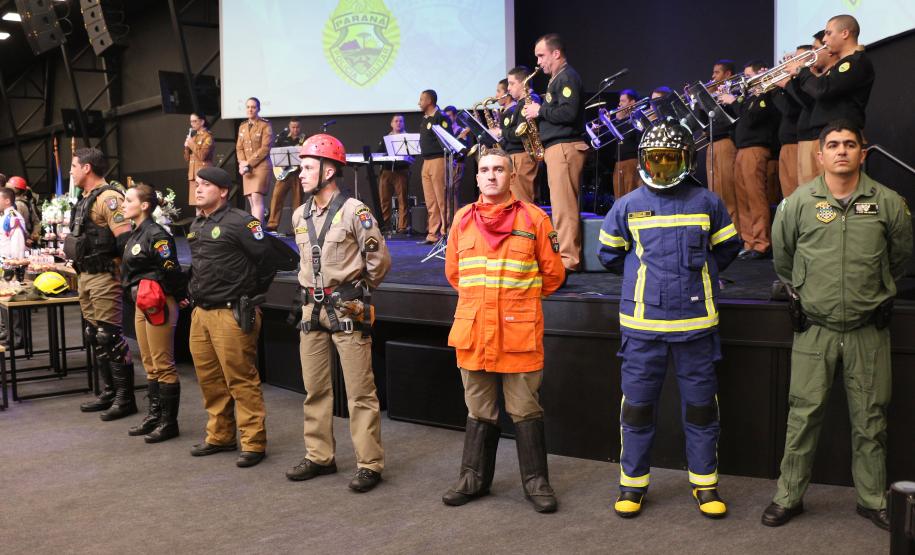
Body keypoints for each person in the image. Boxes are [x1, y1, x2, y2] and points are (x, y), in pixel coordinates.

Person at [763, 121, 912, 531]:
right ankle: (789, 496)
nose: (842, 151)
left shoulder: (887, 203)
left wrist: (874, 292)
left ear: (863, 153)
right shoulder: (797, 203)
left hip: (868, 331)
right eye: (833, 145)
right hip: (816, 329)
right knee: (803, 416)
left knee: (871, 417)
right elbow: (783, 259)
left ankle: (870, 499)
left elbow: (900, 257)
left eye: (850, 144)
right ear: (820, 155)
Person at [598, 118, 740, 519]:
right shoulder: (626, 205)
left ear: (686, 160)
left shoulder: (708, 202)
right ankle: (633, 485)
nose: (661, 167)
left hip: (696, 327)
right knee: (637, 410)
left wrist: (702, 272)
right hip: (642, 330)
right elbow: (609, 255)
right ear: (643, 161)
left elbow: (727, 248)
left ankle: (705, 484)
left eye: (669, 159)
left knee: (700, 410)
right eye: (654, 160)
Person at [442, 148, 565, 513]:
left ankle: (536, 482)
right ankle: (473, 479)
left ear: (512, 176)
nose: (491, 175)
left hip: (518, 334)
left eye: (499, 169)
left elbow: (554, 275)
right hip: (474, 331)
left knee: (525, 409)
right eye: (484, 170)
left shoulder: (534, 219)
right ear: (477, 178)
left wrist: (515, 302)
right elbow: (454, 274)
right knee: (478, 409)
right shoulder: (462, 219)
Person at [285, 134, 391, 492]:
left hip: (346, 307)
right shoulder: (300, 214)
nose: (301, 174)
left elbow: (378, 261)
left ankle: (369, 463)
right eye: (302, 167)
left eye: (308, 167)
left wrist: (358, 291)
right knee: (314, 389)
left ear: (329, 171)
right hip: (310, 310)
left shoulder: (355, 212)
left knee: (360, 392)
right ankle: (319, 456)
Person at [187, 166, 272, 468]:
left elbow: (268, 260)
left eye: (205, 185)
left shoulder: (241, 222)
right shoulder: (197, 223)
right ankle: (220, 436)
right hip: (202, 313)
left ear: (223, 192)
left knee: (240, 379)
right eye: (197, 184)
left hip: (232, 312)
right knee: (210, 379)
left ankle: (253, 442)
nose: (198, 189)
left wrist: (250, 294)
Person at [66, 147, 138, 420]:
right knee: (95, 336)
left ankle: (125, 398)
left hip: (105, 276)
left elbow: (124, 240)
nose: (70, 171)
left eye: (74, 166)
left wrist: (125, 276)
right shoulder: (85, 198)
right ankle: (109, 392)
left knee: (110, 336)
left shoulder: (109, 198)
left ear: (87, 168)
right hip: (85, 275)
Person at [120, 183, 188, 443]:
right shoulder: (135, 233)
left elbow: (171, 269)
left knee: (163, 364)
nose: (123, 204)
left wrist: (179, 297)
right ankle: (154, 415)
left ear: (144, 206)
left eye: (128, 200)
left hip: (158, 303)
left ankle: (169, 423)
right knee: (149, 364)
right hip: (141, 304)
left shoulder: (157, 235)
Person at [783, 15, 874, 185]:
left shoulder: (855, 62)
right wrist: (793, 79)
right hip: (823, 135)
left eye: (828, 33)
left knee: (834, 194)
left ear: (845, 33)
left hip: (839, 135)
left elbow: (822, 90)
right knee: (815, 195)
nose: (824, 39)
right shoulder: (840, 65)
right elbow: (811, 99)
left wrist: (802, 71)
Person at [523, 33, 587, 273]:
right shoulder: (557, 79)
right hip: (556, 149)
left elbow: (568, 114)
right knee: (560, 207)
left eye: (542, 55)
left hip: (564, 148)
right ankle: (565, 257)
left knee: (564, 208)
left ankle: (569, 261)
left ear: (556, 53)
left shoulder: (567, 77)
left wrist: (540, 111)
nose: (539, 62)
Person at [720, 60, 780, 260]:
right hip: (742, 150)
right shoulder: (747, 98)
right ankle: (748, 241)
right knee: (742, 198)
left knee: (755, 197)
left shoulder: (764, 96)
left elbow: (752, 118)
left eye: (748, 76)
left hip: (755, 149)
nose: (744, 81)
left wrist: (735, 101)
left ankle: (762, 242)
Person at [705, 60, 740, 233]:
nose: (712, 77)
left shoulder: (737, 90)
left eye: (717, 72)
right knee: (715, 191)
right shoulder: (714, 94)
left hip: (727, 143)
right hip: (711, 143)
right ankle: (719, 232)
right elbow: (704, 123)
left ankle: (734, 233)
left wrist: (726, 99)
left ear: (727, 75)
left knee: (727, 191)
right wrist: (701, 101)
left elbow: (735, 117)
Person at [771, 46, 811, 198]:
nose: (794, 62)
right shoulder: (794, 83)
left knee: (799, 194)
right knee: (788, 195)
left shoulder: (804, 82)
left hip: (797, 143)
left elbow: (790, 109)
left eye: (798, 58)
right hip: (787, 145)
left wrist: (780, 87)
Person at [417, 89, 453, 244]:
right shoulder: (425, 119)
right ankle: (433, 234)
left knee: (441, 199)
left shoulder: (441, 117)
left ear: (429, 101)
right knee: (431, 201)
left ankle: (447, 232)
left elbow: (447, 138)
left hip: (438, 160)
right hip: (426, 162)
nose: (419, 102)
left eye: (422, 99)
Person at [502, 66, 541, 204]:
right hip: (517, 156)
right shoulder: (521, 103)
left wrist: (502, 132)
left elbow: (520, 132)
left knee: (522, 201)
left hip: (523, 156)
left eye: (512, 83)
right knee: (515, 201)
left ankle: (525, 227)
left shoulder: (529, 100)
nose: (508, 88)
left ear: (524, 83)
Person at [236, 97, 274, 223]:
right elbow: (239, 148)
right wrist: (242, 163)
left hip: (261, 167)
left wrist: (248, 162)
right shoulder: (242, 126)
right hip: (247, 169)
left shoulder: (264, 125)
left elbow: (265, 148)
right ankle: (256, 230)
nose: (250, 109)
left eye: (253, 107)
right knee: (252, 201)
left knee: (256, 198)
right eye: (248, 107)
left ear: (258, 109)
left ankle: (258, 233)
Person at [266, 118, 306, 232]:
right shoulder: (282, 138)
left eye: (297, 127)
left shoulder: (304, 139)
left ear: (300, 127)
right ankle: (272, 224)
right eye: (293, 127)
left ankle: (296, 227)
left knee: (298, 201)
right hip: (284, 173)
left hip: (298, 174)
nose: (295, 130)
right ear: (289, 127)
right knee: (276, 198)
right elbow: (274, 154)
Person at [0, 187, 27, 347]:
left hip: (10, 265)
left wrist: (15, 263)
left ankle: (17, 338)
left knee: (12, 304)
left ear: (7, 200)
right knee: (4, 303)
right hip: (3, 264)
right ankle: (9, 335)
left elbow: (17, 243)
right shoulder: (5, 216)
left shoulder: (13, 217)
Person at [378, 114, 411, 233]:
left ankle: (402, 227)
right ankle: (384, 226)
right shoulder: (386, 138)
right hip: (386, 171)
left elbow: (413, 154)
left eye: (401, 121)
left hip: (401, 171)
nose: (398, 123)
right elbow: (379, 153)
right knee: (384, 200)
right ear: (391, 124)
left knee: (402, 200)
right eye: (396, 121)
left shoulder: (408, 138)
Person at [613, 89, 642, 199]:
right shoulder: (620, 120)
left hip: (632, 161)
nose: (619, 104)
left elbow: (635, 137)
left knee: (631, 196)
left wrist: (620, 120)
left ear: (632, 102)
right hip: (618, 162)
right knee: (618, 197)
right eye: (620, 101)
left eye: (623, 101)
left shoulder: (638, 118)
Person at [183, 112, 214, 208]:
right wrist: (186, 148)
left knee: (204, 205)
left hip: (203, 174)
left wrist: (191, 144)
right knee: (196, 205)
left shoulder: (208, 137)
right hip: (193, 175)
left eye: (195, 121)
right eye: (191, 121)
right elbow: (187, 159)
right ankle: (198, 223)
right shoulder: (194, 137)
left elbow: (202, 156)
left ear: (202, 122)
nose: (192, 124)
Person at [6, 176, 41, 246]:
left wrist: (26, 238)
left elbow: (16, 223)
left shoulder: (16, 205)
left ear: (15, 190)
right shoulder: (27, 202)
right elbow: (36, 222)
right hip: (26, 238)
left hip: (21, 241)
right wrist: (34, 234)